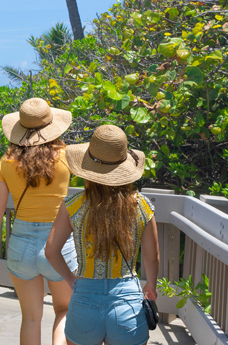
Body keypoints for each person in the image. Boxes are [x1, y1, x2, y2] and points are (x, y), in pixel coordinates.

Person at [46, 124, 160, 345]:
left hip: (84, 301)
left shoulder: (73, 206)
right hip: (127, 303)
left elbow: (51, 251)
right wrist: (151, 285)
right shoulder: (142, 206)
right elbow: (152, 257)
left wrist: (71, 279)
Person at [0, 98, 78, 345]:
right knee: (64, 311)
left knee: (31, 318)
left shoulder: (6, 162)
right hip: (58, 245)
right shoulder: (67, 157)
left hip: (20, 245)